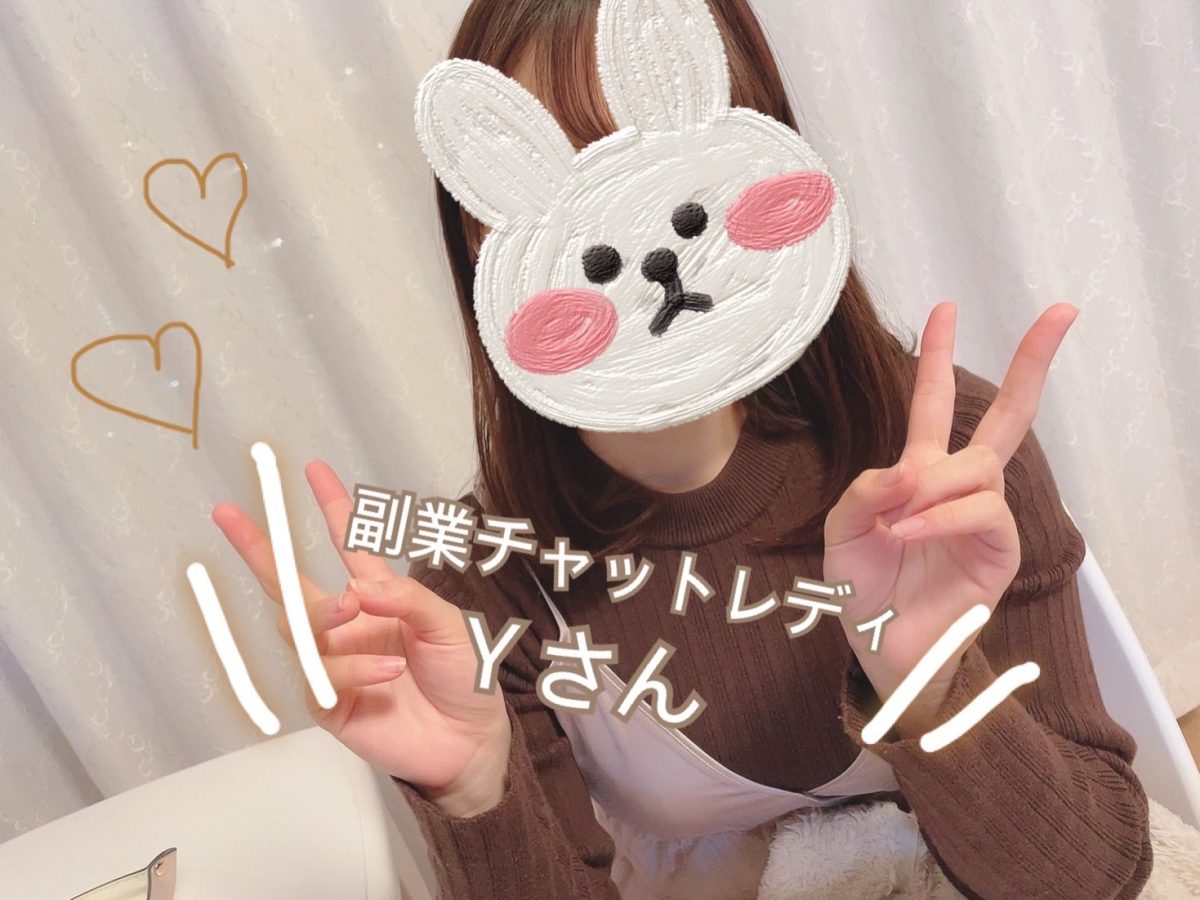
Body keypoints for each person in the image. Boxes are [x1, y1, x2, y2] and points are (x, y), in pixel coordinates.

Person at [213, 1, 1154, 897]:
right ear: (480, 243)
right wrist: (473, 794)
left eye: (669, 177)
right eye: (573, 191)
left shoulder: (941, 461)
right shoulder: (483, 593)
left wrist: (936, 684)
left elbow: (1101, 876)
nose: (646, 251)